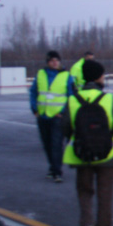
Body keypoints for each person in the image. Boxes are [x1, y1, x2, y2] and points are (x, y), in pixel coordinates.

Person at [61, 60, 113, 226]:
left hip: (82, 153)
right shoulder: (108, 99)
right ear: (99, 77)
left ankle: (86, 224)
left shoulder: (73, 100)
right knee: (105, 196)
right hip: (107, 154)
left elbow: (65, 127)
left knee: (84, 192)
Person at [29, 50, 74, 183]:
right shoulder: (41, 74)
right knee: (47, 143)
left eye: (56, 60)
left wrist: (64, 112)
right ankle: (52, 167)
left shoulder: (66, 76)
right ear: (48, 62)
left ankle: (57, 171)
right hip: (43, 115)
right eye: (52, 61)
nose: (54, 63)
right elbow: (33, 92)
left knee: (56, 144)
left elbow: (70, 95)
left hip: (57, 116)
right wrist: (34, 109)